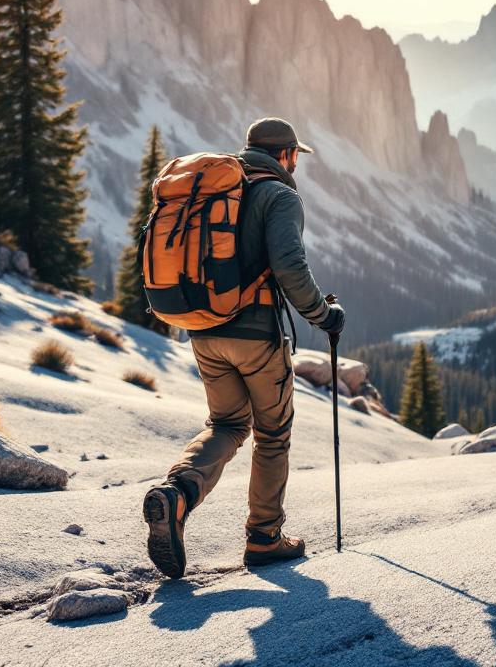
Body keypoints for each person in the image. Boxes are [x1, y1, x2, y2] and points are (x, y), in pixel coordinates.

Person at [143, 117, 345, 579]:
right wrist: (325, 317)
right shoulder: (280, 195)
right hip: (256, 336)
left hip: (204, 330)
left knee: (227, 424)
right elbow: (290, 268)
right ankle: (264, 538)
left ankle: (177, 494)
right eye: (296, 155)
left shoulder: (215, 189)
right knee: (272, 436)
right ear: (286, 155)